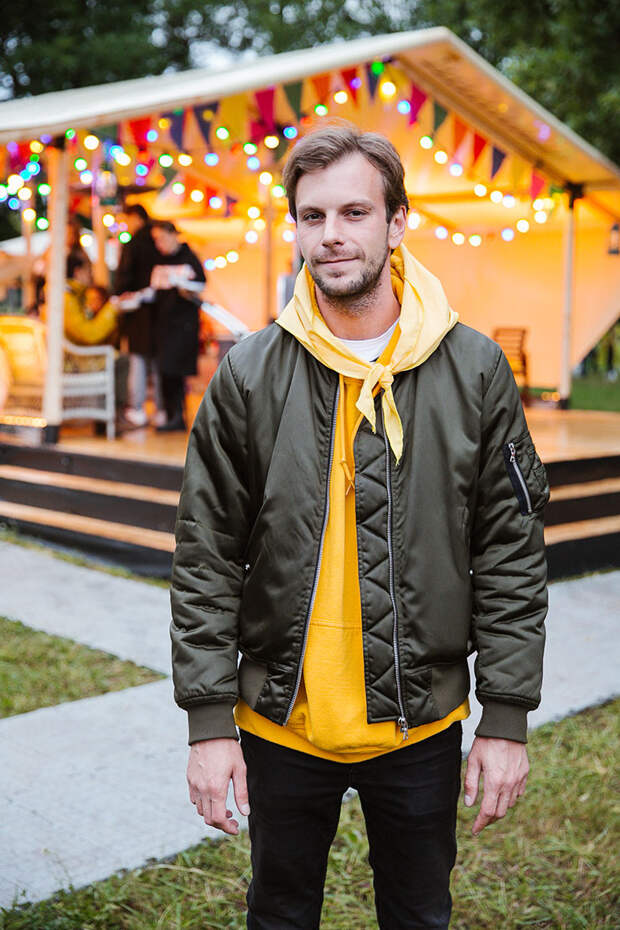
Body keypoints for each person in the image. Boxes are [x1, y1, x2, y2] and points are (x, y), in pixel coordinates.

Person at [170, 127, 549, 929]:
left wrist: (506, 717)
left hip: (421, 724)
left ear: (398, 222)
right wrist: (208, 724)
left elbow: (510, 554)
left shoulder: (475, 369)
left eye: (354, 212)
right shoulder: (248, 372)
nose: (332, 234)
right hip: (280, 721)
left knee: (418, 915)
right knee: (279, 914)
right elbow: (206, 555)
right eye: (312, 216)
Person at [150, 221, 205, 432]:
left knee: (176, 370)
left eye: (162, 239)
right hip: (163, 325)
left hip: (183, 325)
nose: (159, 244)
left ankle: (178, 416)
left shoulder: (189, 258)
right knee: (164, 371)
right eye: (156, 240)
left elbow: (201, 284)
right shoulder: (159, 260)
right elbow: (154, 290)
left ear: (173, 235)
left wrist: (180, 283)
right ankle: (171, 414)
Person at [113, 203, 162, 427]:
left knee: (137, 362)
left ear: (136, 218)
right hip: (159, 312)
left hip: (137, 312)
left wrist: (119, 294)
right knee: (158, 363)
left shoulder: (133, 245)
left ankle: (137, 408)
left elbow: (123, 278)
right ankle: (161, 409)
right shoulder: (157, 243)